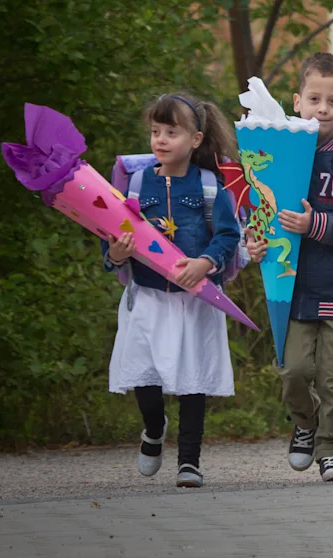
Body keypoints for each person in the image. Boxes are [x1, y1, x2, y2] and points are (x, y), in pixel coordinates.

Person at [245, 52, 333, 482]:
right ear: (296, 102)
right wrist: (255, 242)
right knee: (294, 373)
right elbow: (261, 212)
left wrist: (315, 224)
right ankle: (305, 425)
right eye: (314, 99)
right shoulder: (279, 152)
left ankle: (332, 450)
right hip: (291, 286)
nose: (322, 109)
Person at [105, 92, 242, 488]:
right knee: (145, 377)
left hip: (194, 300)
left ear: (196, 139)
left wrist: (206, 262)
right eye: (155, 131)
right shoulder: (133, 184)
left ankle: (189, 461)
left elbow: (228, 235)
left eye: (171, 132)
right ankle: (153, 429)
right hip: (146, 298)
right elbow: (111, 237)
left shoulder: (210, 186)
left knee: (192, 379)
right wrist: (115, 253)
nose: (160, 140)